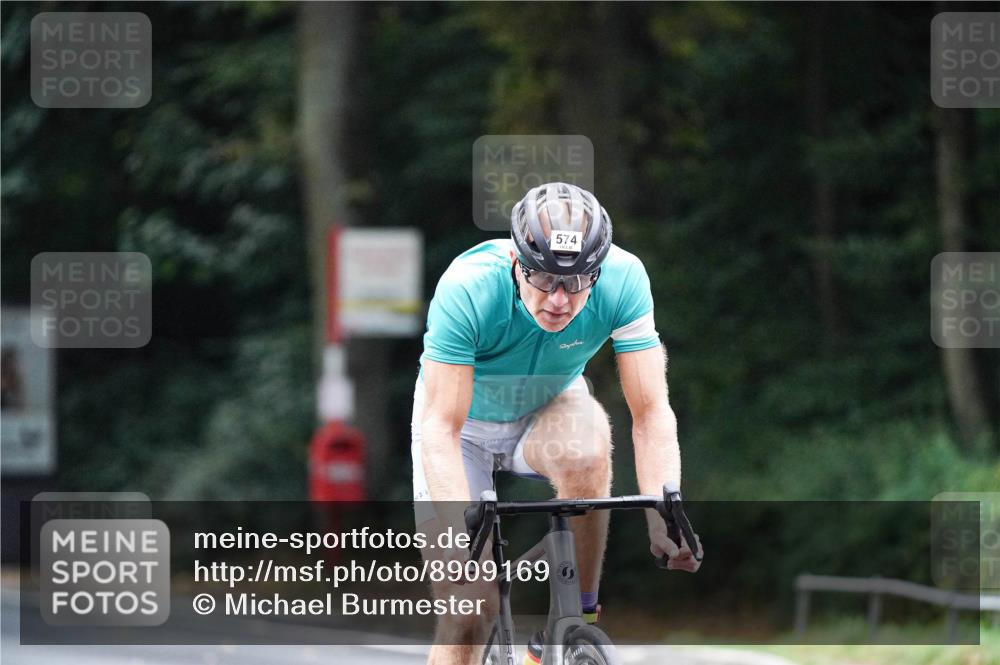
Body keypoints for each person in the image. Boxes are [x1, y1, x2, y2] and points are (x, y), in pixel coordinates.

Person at [412, 182, 700, 665]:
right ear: (516, 263)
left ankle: (574, 623)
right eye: (543, 279)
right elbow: (440, 427)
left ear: (598, 271)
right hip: (460, 426)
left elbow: (650, 411)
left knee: (588, 449)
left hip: (549, 406)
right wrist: (461, 544)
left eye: (576, 282)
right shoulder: (468, 285)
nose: (559, 300)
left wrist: (663, 513)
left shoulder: (625, 280)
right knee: (468, 611)